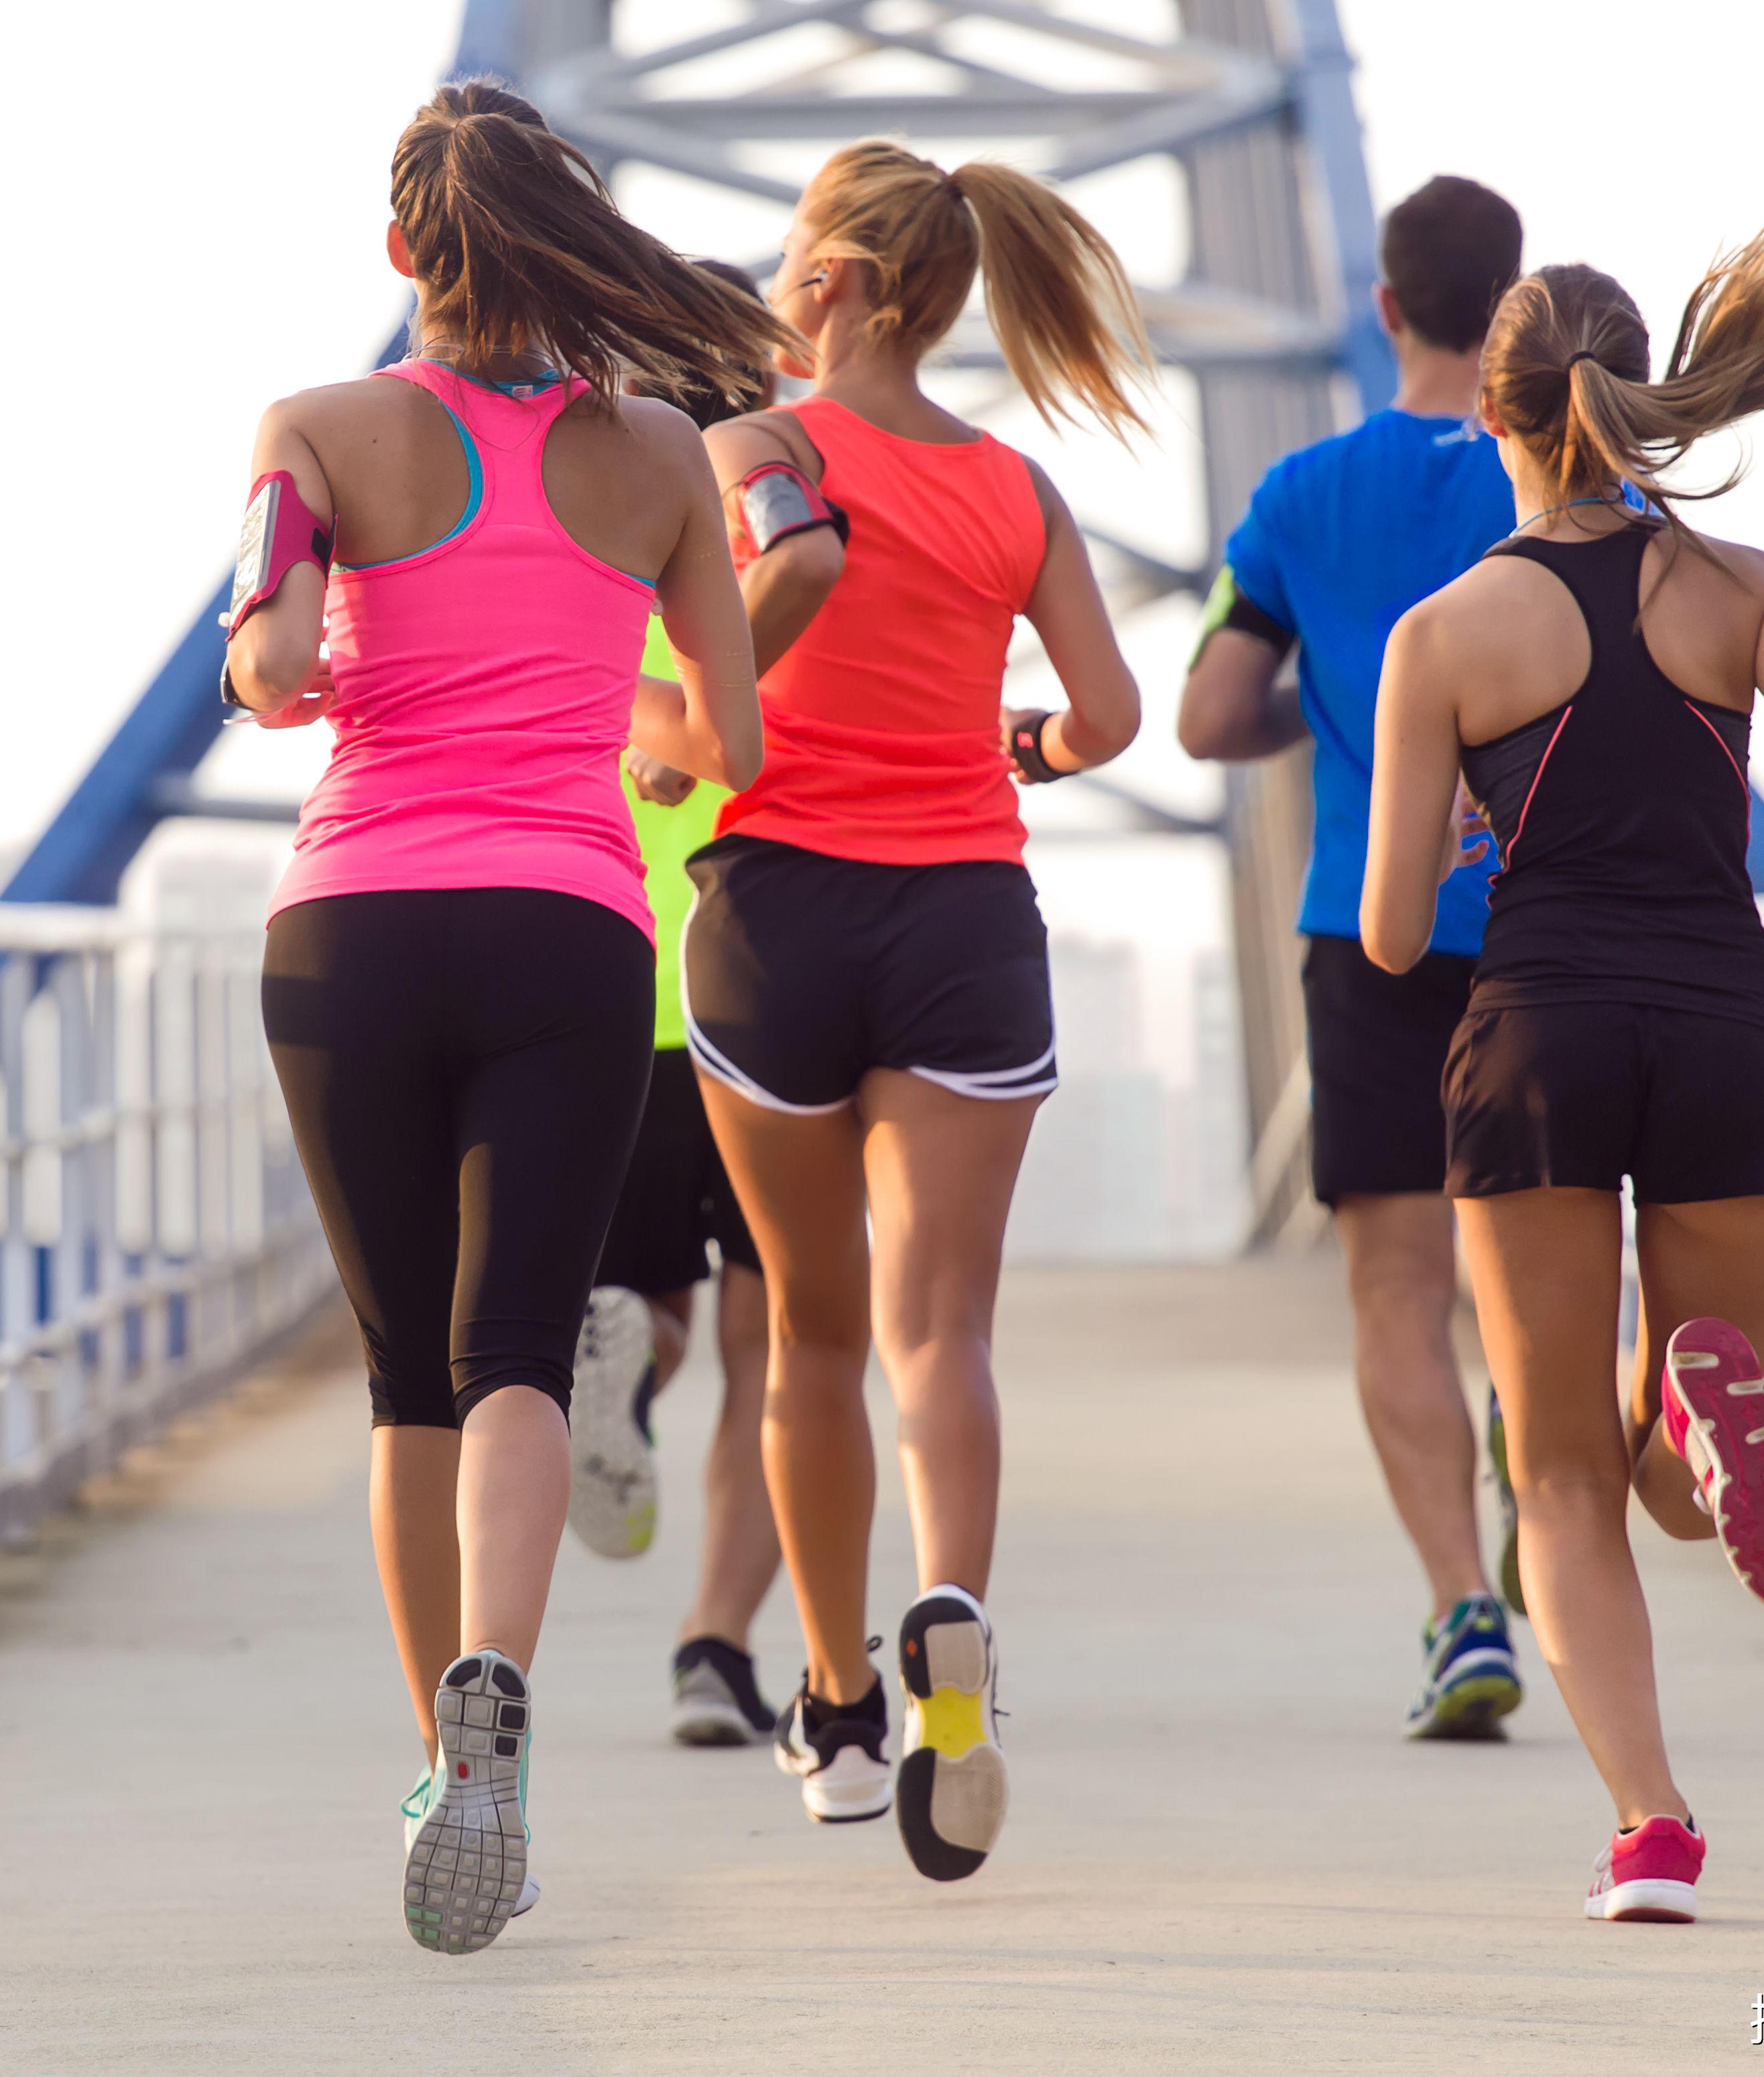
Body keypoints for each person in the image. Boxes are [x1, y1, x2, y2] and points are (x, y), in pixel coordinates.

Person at [224, 80, 775, 1954]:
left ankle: (444, 1766)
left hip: (353, 929)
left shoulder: (316, 428)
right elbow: (730, 740)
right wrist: (594, 701)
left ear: (401, 255)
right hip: (565, 931)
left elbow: (274, 657)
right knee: (518, 1352)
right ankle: (499, 1685)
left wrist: (302, 668)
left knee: (405, 1380)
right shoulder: (657, 460)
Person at [1357, 194, 1764, 1922]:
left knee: (1554, 1476)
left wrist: (1468, 812)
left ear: (1494, 415)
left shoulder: (1446, 632)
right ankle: (1689, 1400)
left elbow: (1387, 936)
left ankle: (1652, 1828)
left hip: (1534, 1034)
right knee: (1675, 1489)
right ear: (1636, 394)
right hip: (1727, 1032)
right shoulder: (1740, 589)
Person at [683, 140, 1147, 1881]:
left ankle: (834, 1700)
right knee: (939, 1330)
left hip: (773, 913)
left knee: (806, 1333)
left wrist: (654, 729)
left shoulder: (761, 448)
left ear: (829, 286)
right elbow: (1105, 713)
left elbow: (714, 678)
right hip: (962, 913)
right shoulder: (1017, 490)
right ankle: (950, 1604)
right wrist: (1007, 742)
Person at [1176, 175, 1529, 1741]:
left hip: (1364, 924)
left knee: (1394, 1287)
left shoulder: (1300, 494)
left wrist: (1328, 724)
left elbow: (1203, 715)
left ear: (1384, 307)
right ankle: (1546, 1438)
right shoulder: (1569, 481)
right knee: (1547, 1263)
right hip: (1546, 926)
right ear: (1515, 309)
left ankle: (1460, 1606)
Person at [565, 259, 788, 1751]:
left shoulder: (589, 528)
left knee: (657, 1302)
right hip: (766, 978)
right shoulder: (778, 533)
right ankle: (715, 1646)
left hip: (611, 979)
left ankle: (618, 1367)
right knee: (786, 1346)